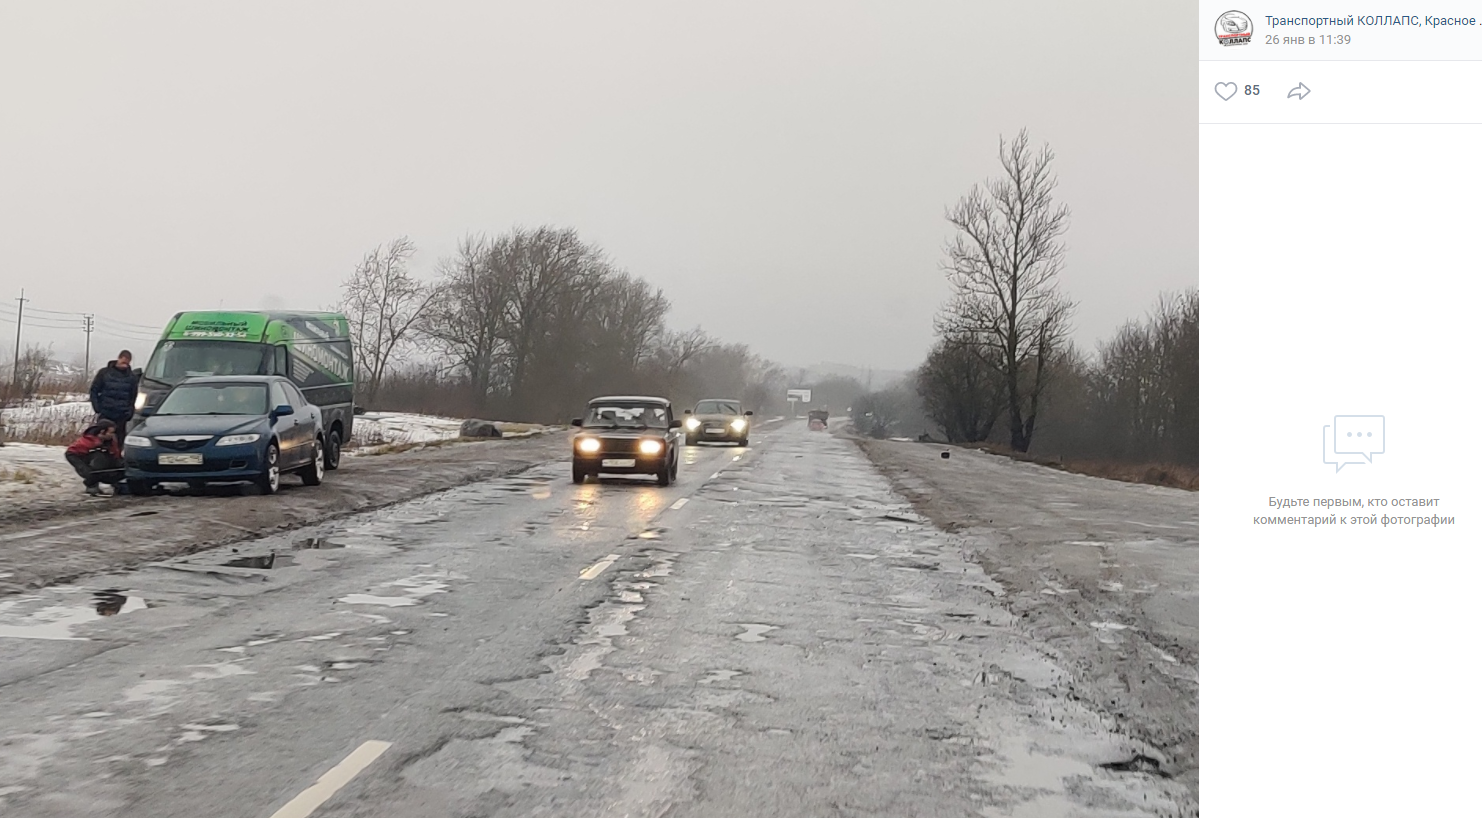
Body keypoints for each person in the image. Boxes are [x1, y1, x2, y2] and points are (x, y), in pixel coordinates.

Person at [65, 420, 124, 496]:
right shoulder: (87, 441)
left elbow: (116, 455)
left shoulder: (111, 441)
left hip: (104, 464)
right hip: (91, 465)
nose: (112, 435)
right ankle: (91, 484)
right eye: (111, 432)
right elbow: (70, 453)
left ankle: (119, 485)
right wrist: (83, 468)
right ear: (102, 431)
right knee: (99, 456)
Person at [90, 350, 140, 433]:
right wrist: (97, 408)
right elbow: (94, 391)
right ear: (119, 358)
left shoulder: (132, 377)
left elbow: (133, 396)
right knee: (102, 440)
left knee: (118, 443)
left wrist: (130, 412)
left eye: (127, 363)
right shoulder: (104, 373)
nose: (125, 365)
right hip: (105, 413)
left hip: (121, 416)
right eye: (123, 362)